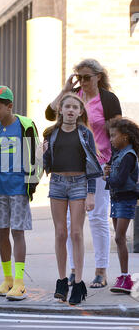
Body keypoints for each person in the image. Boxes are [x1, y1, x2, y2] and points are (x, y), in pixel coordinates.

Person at [45, 58, 122, 289]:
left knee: (98, 217)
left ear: (99, 76)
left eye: (87, 77)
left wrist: (114, 163)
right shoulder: (73, 97)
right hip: (71, 167)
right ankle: (74, 270)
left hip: (99, 166)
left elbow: (118, 132)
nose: (83, 82)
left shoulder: (108, 99)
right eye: (79, 77)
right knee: (69, 223)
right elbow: (50, 115)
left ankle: (100, 269)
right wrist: (66, 89)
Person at [0, 85, 40, 301]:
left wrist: (31, 184)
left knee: (18, 232)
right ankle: (8, 279)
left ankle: (20, 282)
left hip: (18, 188)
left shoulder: (25, 125)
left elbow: (36, 155)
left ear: (9, 106)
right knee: (2, 231)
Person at [43, 93, 103, 305]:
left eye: (75, 107)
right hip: (57, 183)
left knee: (76, 233)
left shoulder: (84, 133)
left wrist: (91, 193)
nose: (70, 110)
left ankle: (78, 283)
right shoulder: (51, 132)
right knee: (60, 233)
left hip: (79, 183)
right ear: (60, 110)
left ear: (80, 112)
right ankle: (61, 281)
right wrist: (43, 155)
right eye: (67, 107)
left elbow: (93, 164)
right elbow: (46, 163)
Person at [103, 117, 139, 294]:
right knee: (119, 239)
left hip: (126, 199)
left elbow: (120, 180)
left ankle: (126, 277)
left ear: (125, 137)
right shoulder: (118, 154)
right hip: (117, 198)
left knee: (119, 237)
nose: (110, 139)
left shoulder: (129, 156)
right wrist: (107, 171)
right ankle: (124, 276)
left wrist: (107, 177)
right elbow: (113, 176)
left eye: (113, 136)